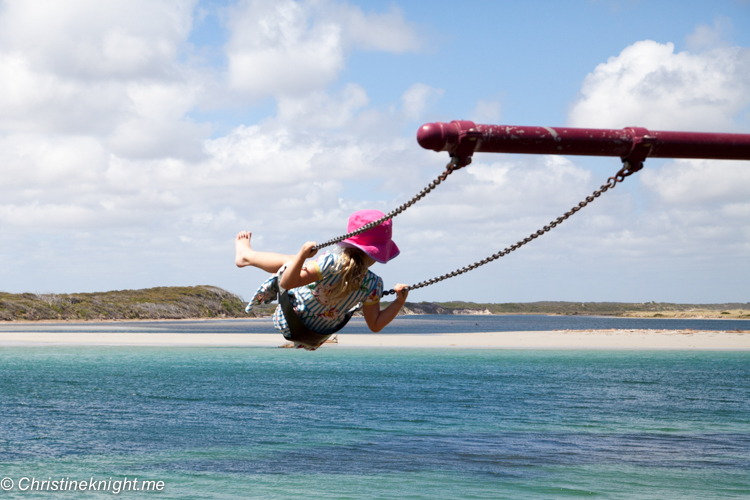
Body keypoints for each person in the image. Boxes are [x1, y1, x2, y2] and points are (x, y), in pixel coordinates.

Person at [235, 210, 410, 350]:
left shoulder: (331, 263)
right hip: (314, 336)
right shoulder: (374, 285)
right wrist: (398, 302)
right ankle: (247, 256)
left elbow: (286, 284)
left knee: (292, 262)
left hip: (288, 320)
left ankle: (246, 256)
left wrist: (302, 256)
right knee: (300, 265)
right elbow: (376, 325)